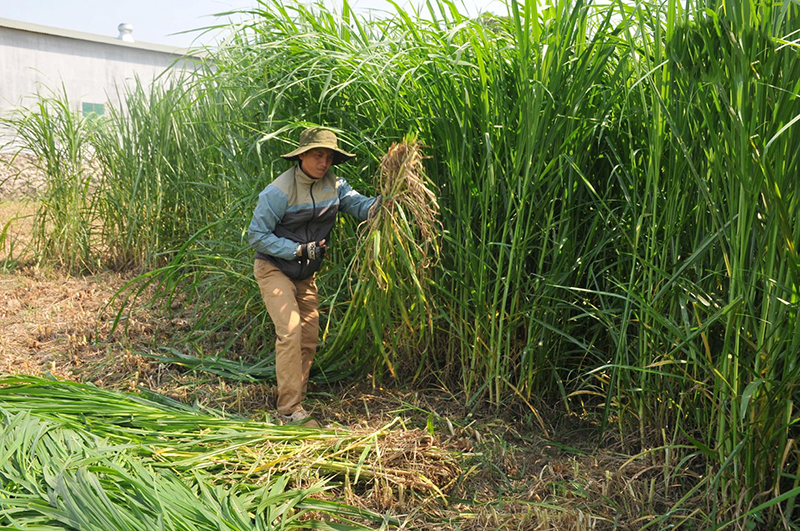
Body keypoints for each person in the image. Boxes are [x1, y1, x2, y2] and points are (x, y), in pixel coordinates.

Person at [248, 127, 379, 425]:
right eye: (318, 155)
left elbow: (361, 206)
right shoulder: (279, 191)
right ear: (302, 155)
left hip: (305, 276)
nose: (324, 163)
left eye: (329, 157)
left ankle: (297, 395)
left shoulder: (336, 186)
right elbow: (256, 236)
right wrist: (298, 250)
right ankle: (289, 410)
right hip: (274, 268)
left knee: (308, 338)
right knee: (291, 330)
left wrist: (385, 203)